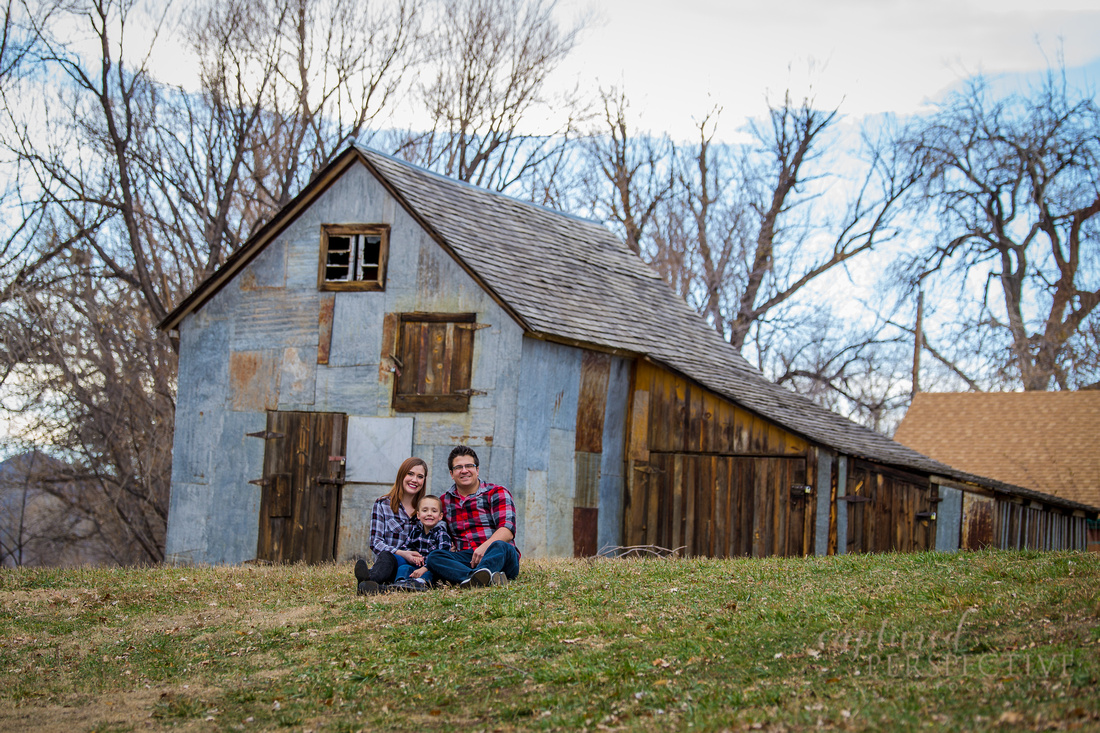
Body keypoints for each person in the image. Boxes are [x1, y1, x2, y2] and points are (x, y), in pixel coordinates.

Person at [425, 445, 520, 588]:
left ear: (477, 469)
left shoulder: (496, 492)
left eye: (469, 466)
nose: (464, 470)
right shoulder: (444, 501)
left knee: (501, 545)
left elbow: (507, 530)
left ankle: (476, 575)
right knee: (434, 557)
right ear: (451, 473)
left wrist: (484, 547)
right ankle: (475, 578)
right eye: (458, 467)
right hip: (467, 557)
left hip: (498, 554)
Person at [354, 457, 426, 595]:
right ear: (401, 475)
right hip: (387, 566)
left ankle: (367, 584)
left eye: (420, 476)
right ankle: (370, 579)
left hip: (413, 568)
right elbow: (375, 542)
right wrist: (401, 553)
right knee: (387, 556)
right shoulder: (382, 505)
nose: (415, 480)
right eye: (410, 474)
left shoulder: (426, 510)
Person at [389, 495, 453, 592]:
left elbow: (441, 557)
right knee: (404, 567)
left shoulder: (442, 534)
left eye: (434, 511)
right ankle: (401, 582)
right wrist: (414, 556)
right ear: (418, 515)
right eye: (425, 510)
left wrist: (425, 568)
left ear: (440, 516)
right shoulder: (416, 531)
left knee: (432, 573)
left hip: (432, 568)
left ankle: (420, 583)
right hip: (417, 565)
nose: (429, 514)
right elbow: (406, 546)